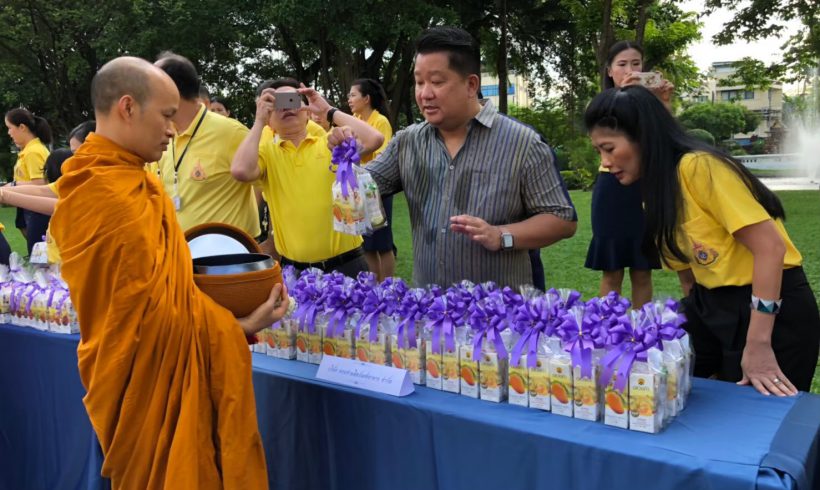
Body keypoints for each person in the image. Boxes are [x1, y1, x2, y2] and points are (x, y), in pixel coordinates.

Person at [50, 56, 288, 488]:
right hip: (141, 382)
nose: (172, 129)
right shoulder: (106, 196)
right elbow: (151, 323)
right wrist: (242, 325)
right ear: (127, 107)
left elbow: (168, 295)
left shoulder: (139, 185)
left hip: (156, 374)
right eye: (165, 116)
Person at [585, 85, 820, 395]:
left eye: (609, 148)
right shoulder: (654, 192)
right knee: (652, 374)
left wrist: (759, 344)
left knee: (755, 422)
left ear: (642, 136)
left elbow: (770, 248)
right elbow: (689, 274)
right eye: (599, 152)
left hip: (770, 311)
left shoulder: (698, 167)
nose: (605, 162)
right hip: (710, 306)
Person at [336, 27, 576, 289]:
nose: (425, 93)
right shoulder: (408, 142)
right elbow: (362, 189)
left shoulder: (523, 143)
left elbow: (561, 219)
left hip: (500, 318)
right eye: (419, 82)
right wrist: (346, 158)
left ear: (471, 84)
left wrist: (501, 235)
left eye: (437, 82)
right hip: (431, 310)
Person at [231, 78, 383, 276]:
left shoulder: (330, 144)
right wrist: (259, 121)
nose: (286, 108)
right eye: (277, 103)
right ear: (269, 119)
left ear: (307, 112)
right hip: (297, 273)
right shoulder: (267, 153)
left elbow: (374, 139)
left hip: (347, 265)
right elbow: (240, 170)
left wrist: (328, 110)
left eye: (292, 100)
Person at [585, 41, 674, 307]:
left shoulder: (651, 104)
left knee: (642, 268)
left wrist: (663, 102)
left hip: (644, 187)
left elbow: (666, 137)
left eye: (636, 64)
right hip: (611, 189)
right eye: (622, 64)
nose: (630, 69)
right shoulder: (601, 104)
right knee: (611, 270)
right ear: (609, 70)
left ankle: (641, 333)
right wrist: (623, 95)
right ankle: (607, 330)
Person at [154, 52, 261, 238]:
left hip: (229, 260)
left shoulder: (231, 133)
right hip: (181, 256)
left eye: (150, 88)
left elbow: (267, 185)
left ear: (170, 91)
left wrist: (273, 241)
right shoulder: (164, 135)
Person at [348, 78, 396, 280]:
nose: (349, 99)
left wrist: (355, 155)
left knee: (383, 244)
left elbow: (383, 156)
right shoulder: (354, 119)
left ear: (366, 98)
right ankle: (373, 286)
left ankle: (387, 286)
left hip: (377, 188)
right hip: (358, 189)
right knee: (366, 242)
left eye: (353, 95)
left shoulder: (380, 121)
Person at [4, 107, 52, 253]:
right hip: (30, 207)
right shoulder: (28, 151)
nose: (9, 133)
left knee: (40, 255)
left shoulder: (34, 152)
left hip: (37, 208)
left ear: (22, 127)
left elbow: (40, 184)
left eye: (10, 128)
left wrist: (12, 186)